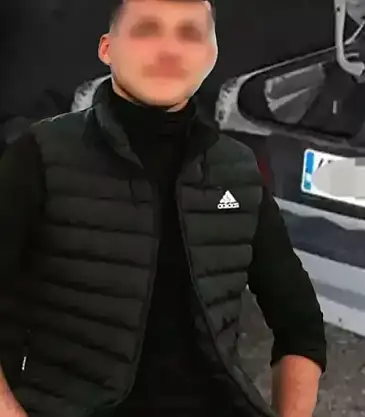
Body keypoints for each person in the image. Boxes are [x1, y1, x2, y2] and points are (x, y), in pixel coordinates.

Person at [0, 0, 327, 416]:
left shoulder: (237, 168)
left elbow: (299, 323)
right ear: (107, 49)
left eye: (189, 34)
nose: (169, 49)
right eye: (147, 30)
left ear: (211, 55)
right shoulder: (40, 154)